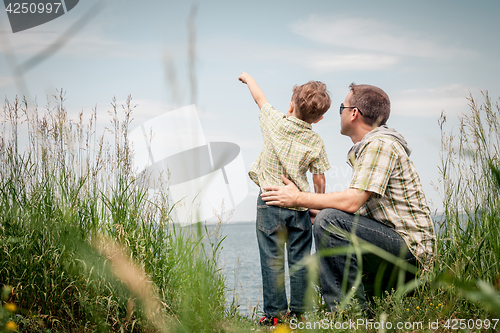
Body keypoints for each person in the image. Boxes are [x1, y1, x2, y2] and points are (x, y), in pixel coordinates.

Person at [260, 83, 436, 313]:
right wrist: (313, 208)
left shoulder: (380, 145)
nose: (339, 112)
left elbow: (351, 202)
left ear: (354, 113)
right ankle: (359, 307)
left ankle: (349, 315)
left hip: (411, 255)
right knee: (324, 230)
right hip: (396, 249)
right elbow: (358, 210)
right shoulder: (371, 147)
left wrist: (298, 198)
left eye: (342, 107)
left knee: (329, 221)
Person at [238, 72, 331, 325]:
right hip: (299, 204)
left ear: (291, 105)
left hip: (269, 201)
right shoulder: (315, 141)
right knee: (301, 259)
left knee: (272, 259)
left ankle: (276, 317)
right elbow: (319, 178)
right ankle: (299, 314)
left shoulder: (275, 122)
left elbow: (260, 98)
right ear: (320, 119)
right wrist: (314, 205)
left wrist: (248, 78)